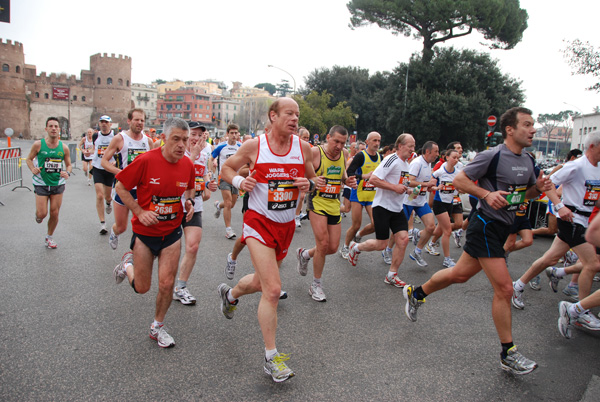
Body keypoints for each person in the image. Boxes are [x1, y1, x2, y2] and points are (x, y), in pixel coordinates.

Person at [403, 107, 552, 375]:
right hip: (485, 225)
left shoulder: (528, 160)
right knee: (505, 289)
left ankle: (417, 293)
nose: (533, 130)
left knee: (459, 275)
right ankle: (508, 353)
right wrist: (485, 193)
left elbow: (524, 195)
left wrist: (537, 189)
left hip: (503, 225)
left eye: (534, 125)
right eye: (527, 124)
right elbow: (459, 180)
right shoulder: (492, 156)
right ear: (510, 129)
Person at [216, 98, 318, 383]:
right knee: (273, 290)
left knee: (261, 283)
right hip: (258, 222)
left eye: (297, 114)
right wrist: (238, 182)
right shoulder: (255, 147)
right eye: (289, 113)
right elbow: (226, 169)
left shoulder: (304, 148)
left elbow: (312, 179)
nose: (295, 119)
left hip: (285, 226)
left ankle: (231, 295)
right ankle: (271, 358)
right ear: (273, 116)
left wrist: (307, 185)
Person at [112, 118, 196, 348]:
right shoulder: (146, 161)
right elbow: (120, 186)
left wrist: (188, 202)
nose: (181, 145)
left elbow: (190, 187)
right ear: (163, 138)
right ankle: (126, 265)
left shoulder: (187, 164)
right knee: (142, 287)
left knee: (167, 284)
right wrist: (139, 211)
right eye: (176, 139)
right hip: (145, 233)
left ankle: (157, 326)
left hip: (171, 233)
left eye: (185, 140)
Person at [512, 131, 600, 331]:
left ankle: (518, 285)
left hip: (584, 220)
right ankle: (579, 311)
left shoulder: (598, 169)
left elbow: (593, 197)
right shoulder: (576, 166)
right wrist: (560, 205)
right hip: (572, 220)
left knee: (549, 259)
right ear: (593, 146)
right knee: (592, 263)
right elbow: (547, 183)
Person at [296, 125, 356, 301]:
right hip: (317, 201)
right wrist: (313, 179)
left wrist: (347, 180)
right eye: (336, 141)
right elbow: (301, 175)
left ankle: (305, 254)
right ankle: (316, 285)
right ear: (328, 137)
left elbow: (342, 174)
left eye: (343, 143)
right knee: (322, 244)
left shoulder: (344, 154)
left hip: (333, 203)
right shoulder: (315, 153)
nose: (339, 146)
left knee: (332, 247)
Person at [347, 134, 415, 290]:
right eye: (410, 146)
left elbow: (400, 185)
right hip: (382, 207)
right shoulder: (391, 160)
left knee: (403, 240)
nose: (412, 149)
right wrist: (395, 188)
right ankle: (356, 248)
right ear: (400, 146)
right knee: (381, 244)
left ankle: (392, 275)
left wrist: (409, 190)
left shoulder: (406, 164)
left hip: (397, 208)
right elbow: (374, 179)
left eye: (413, 146)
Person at [173, 122, 218, 305]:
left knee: (192, 246)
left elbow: (203, 174)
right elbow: (179, 172)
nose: (196, 138)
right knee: (169, 250)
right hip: (173, 205)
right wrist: (192, 155)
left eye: (200, 135)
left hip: (195, 204)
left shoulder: (205, 152)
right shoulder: (177, 151)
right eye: (193, 134)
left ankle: (180, 287)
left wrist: (208, 184)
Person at [102, 109, 154, 249]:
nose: (139, 123)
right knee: (122, 227)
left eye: (142, 120)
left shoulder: (148, 141)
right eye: (136, 120)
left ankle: (135, 255)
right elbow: (104, 162)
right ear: (129, 121)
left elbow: (153, 164)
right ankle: (114, 232)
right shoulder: (120, 138)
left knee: (142, 225)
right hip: (123, 188)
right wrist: (121, 173)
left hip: (142, 190)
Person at [26, 117, 72, 248]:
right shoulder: (38, 145)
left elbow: (68, 165)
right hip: (41, 182)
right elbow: (29, 159)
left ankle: (49, 237)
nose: (53, 128)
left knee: (55, 212)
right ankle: (38, 215)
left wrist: (67, 172)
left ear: (59, 129)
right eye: (51, 126)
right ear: (46, 129)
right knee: (42, 213)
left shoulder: (64, 148)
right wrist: (33, 169)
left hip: (58, 183)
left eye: (56, 126)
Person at [558, 210, 600, 339]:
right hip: (574, 220)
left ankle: (575, 309)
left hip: (578, 220)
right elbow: (592, 233)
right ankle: (575, 309)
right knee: (592, 265)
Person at [339, 132, 382, 258]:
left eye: (379, 141)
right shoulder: (361, 156)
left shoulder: (380, 157)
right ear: (367, 142)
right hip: (358, 194)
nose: (377, 143)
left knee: (376, 224)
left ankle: (359, 236)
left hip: (372, 196)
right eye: (374, 140)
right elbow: (349, 172)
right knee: (356, 224)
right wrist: (364, 176)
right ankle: (345, 246)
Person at [404, 141, 439, 267]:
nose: (438, 154)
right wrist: (426, 184)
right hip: (408, 199)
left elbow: (423, 183)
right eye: (436, 151)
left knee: (430, 227)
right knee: (400, 230)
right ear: (428, 151)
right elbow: (409, 182)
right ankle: (388, 250)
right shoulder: (417, 163)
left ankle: (417, 252)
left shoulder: (428, 164)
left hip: (420, 200)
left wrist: (431, 188)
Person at [427, 148, 463, 267]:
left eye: (457, 158)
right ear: (447, 158)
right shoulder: (439, 172)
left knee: (440, 230)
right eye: (454, 157)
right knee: (447, 231)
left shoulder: (458, 173)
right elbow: (429, 187)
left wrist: (461, 189)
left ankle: (423, 242)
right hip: (439, 203)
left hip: (450, 204)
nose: (456, 160)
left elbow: (461, 188)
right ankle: (447, 259)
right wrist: (437, 188)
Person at [212, 124, 242, 239]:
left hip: (236, 178)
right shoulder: (221, 146)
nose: (234, 135)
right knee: (228, 202)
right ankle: (228, 230)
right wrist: (211, 170)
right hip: (224, 177)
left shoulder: (241, 146)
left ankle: (219, 205)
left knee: (232, 204)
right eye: (232, 133)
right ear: (227, 134)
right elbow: (212, 158)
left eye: (236, 133)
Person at [91, 115, 116, 235]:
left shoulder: (115, 137)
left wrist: (115, 161)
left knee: (107, 196)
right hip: (98, 167)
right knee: (99, 195)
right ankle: (102, 223)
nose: (104, 124)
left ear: (110, 124)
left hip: (109, 168)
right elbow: (95, 149)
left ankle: (108, 202)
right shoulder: (96, 135)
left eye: (106, 122)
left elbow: (119, 151)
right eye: (102, 122)